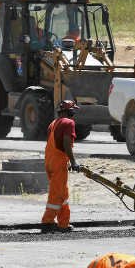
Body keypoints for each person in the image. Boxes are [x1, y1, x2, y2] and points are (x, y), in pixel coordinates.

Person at [41, 99, 80, 233]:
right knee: (57, 194)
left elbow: (54, 144)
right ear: (69, 111)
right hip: (58, 163)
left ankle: (63, 224)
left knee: (63, 193)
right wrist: (73, 161)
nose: (74, 113)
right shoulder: (69, 123)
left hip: (49, 161)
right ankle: (47, 222)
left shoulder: (53, 123)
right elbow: (66, 143)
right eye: (73, 111)